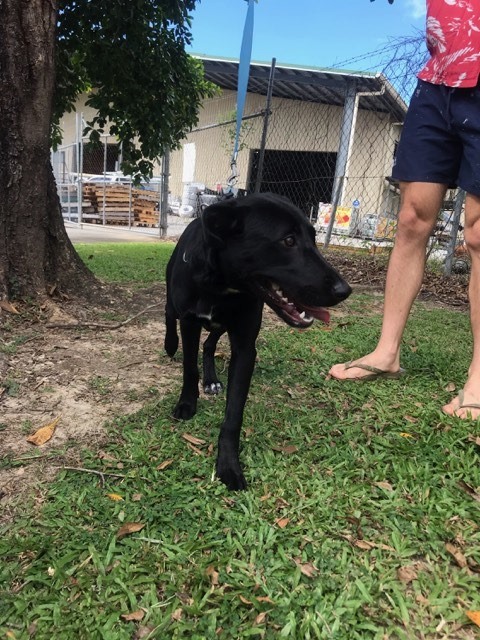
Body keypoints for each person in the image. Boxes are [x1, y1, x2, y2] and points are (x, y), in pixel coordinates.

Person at [329, 0, 480, 419]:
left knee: (478, 233)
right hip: (438, 80)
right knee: (411, 219)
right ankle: (387, 352)